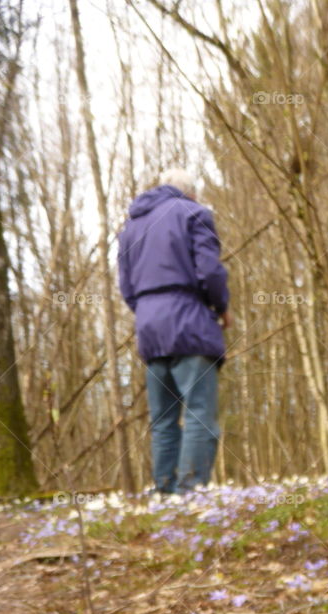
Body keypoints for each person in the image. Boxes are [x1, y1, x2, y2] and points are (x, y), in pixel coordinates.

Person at [118, 167, 230, 494]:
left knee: (163, 418)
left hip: (149, 327)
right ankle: (191, 491)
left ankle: (165, 493)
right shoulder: (194, 213)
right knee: (198, 412)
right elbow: (210, 271)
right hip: (190, 322)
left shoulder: (131, 226)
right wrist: (221, 307)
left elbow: (126, 286)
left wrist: (149, 311)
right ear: (190, 192)